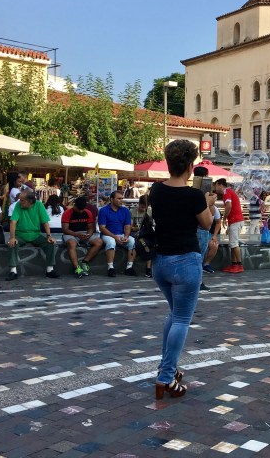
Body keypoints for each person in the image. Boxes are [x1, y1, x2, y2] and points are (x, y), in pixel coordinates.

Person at [150, 139, 216, 400]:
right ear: (191, 166)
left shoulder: (156, 190)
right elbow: (206, 225)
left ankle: (169, 366)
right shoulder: (194, 195)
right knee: (181, 319)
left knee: (174, 314)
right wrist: (209, 204)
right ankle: (166, 376)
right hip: (186, 263)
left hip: (160, 262)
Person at [6, 191, 60, 281]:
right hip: (20, 234)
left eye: (23, 200)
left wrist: (49, 236)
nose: (20, 202)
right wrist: (12, 237)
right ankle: (13, 271)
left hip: (35, 235)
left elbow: (45, 222)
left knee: (50, 244)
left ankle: (50, 270)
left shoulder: (39, 205)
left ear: (30, 201)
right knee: (12, 243)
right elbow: (13, 222)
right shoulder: (18, 205)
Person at [61, 196, 104, 278]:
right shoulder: (67, 213)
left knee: (99, 242)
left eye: (82, 209)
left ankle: (84, 262)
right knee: (71, 243)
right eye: (79, 209)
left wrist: (89, 234)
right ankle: (77, 267)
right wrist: (76, 234)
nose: (81, 211)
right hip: (71, 233)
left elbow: (91, 227)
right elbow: (65, 229)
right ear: (75, 206)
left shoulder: (88, 213)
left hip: (84, 233)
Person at [98, 190, 137, 277]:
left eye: (122, 198)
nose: (121, 200)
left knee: (132, 241)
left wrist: (126, 236)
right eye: (119, 198)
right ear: (111, 199)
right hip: (107, 235)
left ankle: (129, 267)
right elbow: (102, 228)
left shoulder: (125, 210)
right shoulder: (103, 210)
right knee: (111, 242)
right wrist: (115, 237)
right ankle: (110, 268)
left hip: (121, 234)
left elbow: (127, 226)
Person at [214, 178, 245, 273]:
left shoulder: (226, 192)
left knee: (234, 243)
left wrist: (224, 218)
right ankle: (234, 264)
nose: (215, 189)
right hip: (235, 221)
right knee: (232, 243)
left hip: (236, 220)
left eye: (215, 186)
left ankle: (239, 265)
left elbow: (229, 206)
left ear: (220, 185)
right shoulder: (228, 192)